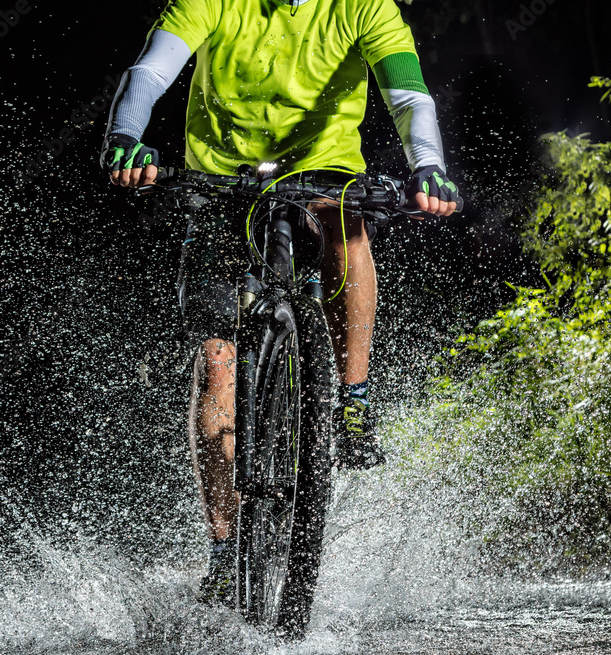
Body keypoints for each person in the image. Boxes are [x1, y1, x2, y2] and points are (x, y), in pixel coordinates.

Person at [99, 0, 461, 596]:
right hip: (223, 180)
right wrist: (125, 138)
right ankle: (222, 549)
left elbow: (409, 96)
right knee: (217, 365)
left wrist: (428, 166)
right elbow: (152, 72)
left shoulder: (366, 7)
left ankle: (352, 397)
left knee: (348, 227)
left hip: (322, 170)